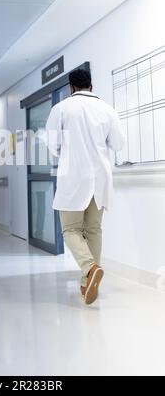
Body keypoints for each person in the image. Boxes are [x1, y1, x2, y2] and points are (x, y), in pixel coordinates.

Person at [46, 69, 124, 306]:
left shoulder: (61, 109)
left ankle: (90, 270)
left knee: (70, 230)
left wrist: (68, 150)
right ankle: (86, 283)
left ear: (71, 87)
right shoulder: (107, 109)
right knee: (93, 230)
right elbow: (118, 144)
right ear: (92, 84)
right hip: (100, 177)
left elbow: (52, 144)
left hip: (73, 177)